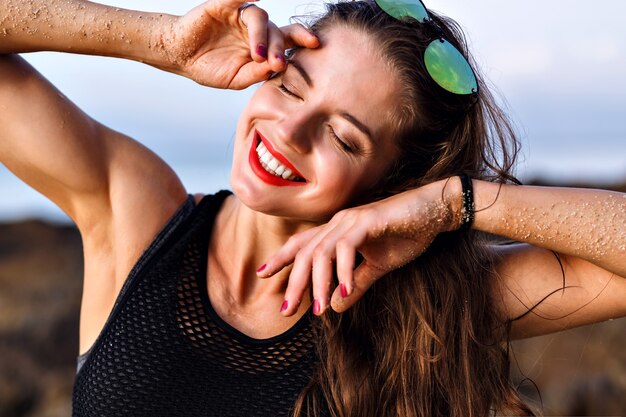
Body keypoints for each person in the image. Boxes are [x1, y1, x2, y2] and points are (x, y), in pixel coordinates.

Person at [1, 0, 624, 416]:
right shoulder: (138, 215)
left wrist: (455, 201)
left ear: (391, 183)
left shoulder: (430, 301)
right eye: (289, 85)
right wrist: (156, 39)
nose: (290, 130)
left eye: (343, 137)